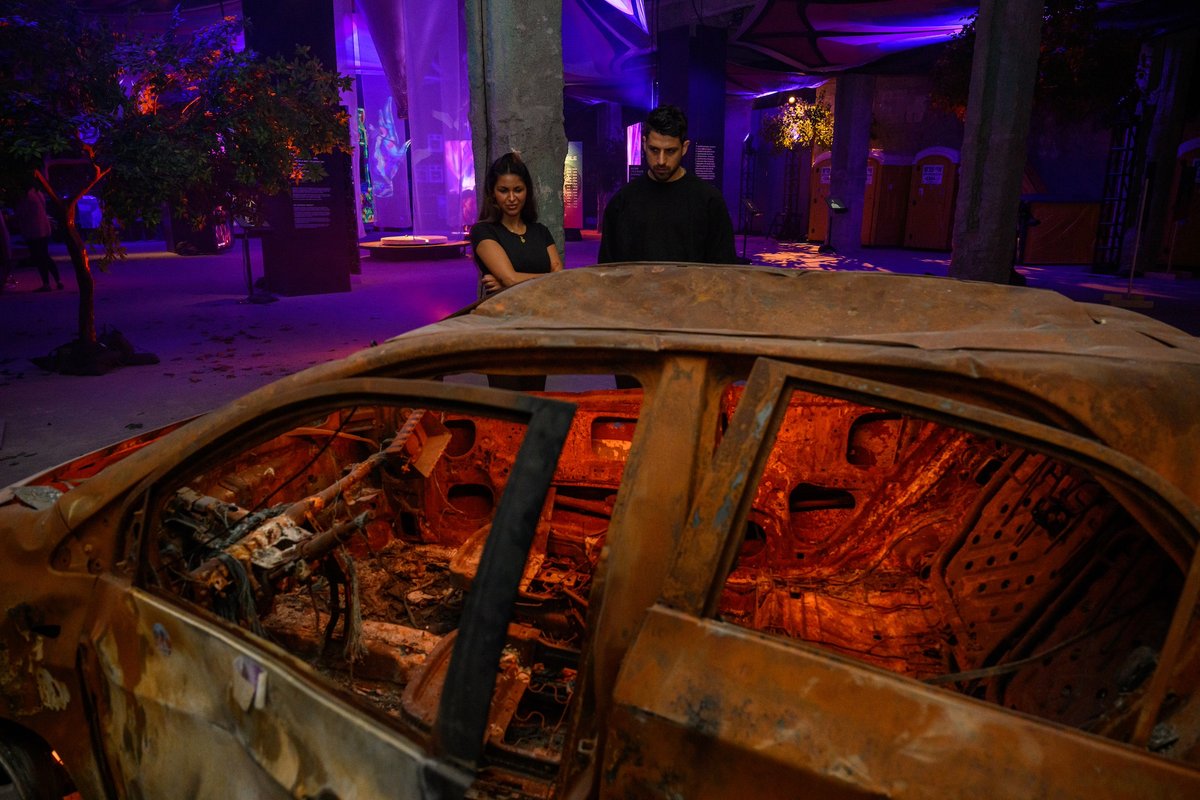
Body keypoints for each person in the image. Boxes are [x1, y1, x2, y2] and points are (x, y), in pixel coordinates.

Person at [598, 104, 736, 265]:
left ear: (684, 148)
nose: (661, 161)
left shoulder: (709, 202)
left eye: (670, 151)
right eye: (654, 150)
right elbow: (607, 271)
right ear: (644, 144)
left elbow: (724, 270)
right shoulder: (621, 202)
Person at [470, 151, 563, 297]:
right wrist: (510, 281)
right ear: (493, 192)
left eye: (518, 190)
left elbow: (560, 279)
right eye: (503, 191)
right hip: (506, 316)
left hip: (544, 312)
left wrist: (506, 284)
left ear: (527, 191)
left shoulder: (540, 231)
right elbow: (510, 278)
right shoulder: (483, 231)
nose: (512, 198)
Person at [15, 186, 63, 292]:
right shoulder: (38, 194)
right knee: (45, 256)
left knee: (39, 257)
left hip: (33, 230)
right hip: (43, 228)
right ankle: (58, 280)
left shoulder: (26, 197)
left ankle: (46, 283)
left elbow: (21, 213)